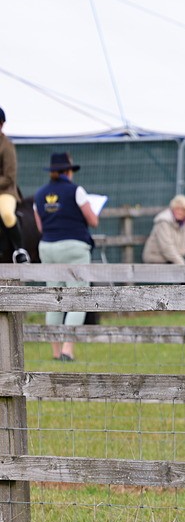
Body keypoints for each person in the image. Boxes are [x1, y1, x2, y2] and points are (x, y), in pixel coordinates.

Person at [33, 152, 99, 361]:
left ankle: (54, 351)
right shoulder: (76, 191)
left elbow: (40, 226)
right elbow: (93, 220)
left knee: (54, 297)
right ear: (68, 171)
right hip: (74, 247)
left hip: (48, 248)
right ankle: (67, 350)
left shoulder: (39, 194)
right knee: (78, 296)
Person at [0, 107, 30, 263]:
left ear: (1, 124)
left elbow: (9, 177)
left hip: (5, 190)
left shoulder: (7, 146)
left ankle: (19, 249)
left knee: (6, 213)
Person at [143, 195, 185, 265]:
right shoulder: (163, 222)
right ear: (172, 209)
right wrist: (182, 264)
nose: (180, 212)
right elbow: (166, 247)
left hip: (172, 260)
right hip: (156, 260)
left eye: (183, 210)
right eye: (177, 209)